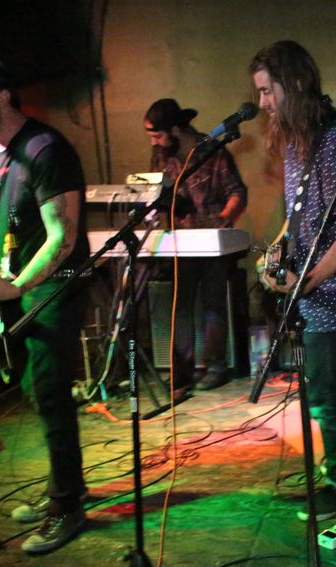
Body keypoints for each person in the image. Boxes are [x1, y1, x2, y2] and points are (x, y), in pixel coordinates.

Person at [0, 57, 89, 554]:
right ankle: (66, 489)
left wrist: (17, 286)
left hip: (55, 286)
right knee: (35, 390)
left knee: (48, 389)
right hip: (17, 290)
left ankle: (67, 507)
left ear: (2, 96)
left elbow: (62, 238)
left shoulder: (45, 149)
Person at [250, 40, 336, 522]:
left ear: (295, 83)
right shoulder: (298, 141)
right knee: (326, 381)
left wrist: (303, 282)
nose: (262, 103)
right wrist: (275, 250)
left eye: (267, 91)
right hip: (314, 280)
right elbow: (301, 214)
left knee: (323, 389)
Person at [143, 99, 248, 396]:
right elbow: (156, 194)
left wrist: (223, 219)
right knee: (181, 307)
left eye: (157, 135)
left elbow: (237, 192)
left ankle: (216, 367)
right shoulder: (162, 158)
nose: (154, 143)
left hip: (213, 241)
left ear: (175, 130)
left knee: (214, 304)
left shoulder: (212, 150)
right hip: (181, 242)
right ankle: (182, 373)